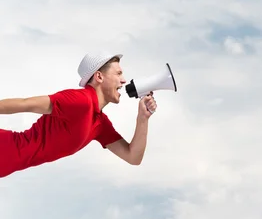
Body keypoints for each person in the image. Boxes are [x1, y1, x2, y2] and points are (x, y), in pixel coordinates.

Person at [0, 52, 157, 178]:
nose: (123, 81)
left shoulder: (100, 124)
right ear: (99, 76)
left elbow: (133, 157)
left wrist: (143, 118)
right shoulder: (80, 101)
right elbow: (26, 103)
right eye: (118, 73)